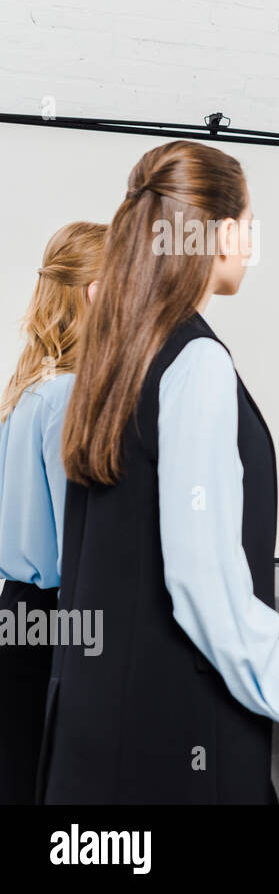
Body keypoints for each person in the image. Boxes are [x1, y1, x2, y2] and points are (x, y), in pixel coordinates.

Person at [39, 140, 279, 804]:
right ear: (216, 231)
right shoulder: (196, 363)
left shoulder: (114, 357)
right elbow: (201, 578)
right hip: (177, 734)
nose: (251, 242)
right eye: (248, 223)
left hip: (96, 729)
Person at [0, 222, 105, 803]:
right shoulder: (69, 393)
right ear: (95, 292)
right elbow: (82, 538)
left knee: (22, 775)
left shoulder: (27, 384)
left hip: (19, 610)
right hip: (66, 616)